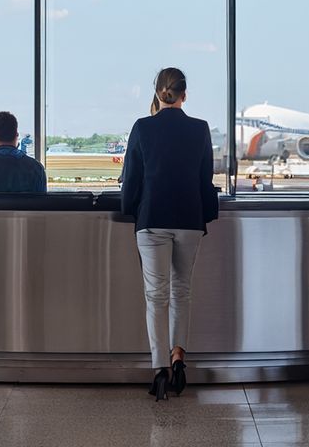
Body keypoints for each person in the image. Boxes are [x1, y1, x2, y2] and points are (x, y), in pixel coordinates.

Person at [121, 67, 219, 401]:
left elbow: (132, 178)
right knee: (182, 292)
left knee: (156, 296)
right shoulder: (200, 128)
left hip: (152, 219)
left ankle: (159, 368)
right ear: (184, 95)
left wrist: (131, 209)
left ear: (158, 93)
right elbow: (205, 179)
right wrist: (206, 215)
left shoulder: (142, 127)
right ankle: (179, 357)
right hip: (189, 219)